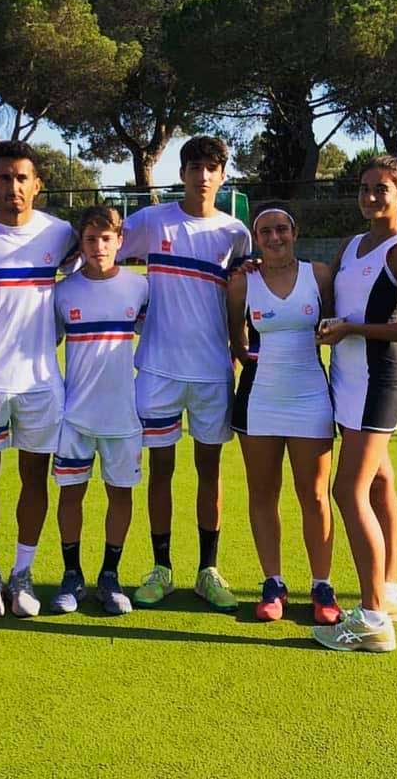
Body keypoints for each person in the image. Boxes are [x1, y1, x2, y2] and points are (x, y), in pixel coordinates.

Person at [119, 135, 251, 612]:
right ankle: (162, 567)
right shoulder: (153, 221)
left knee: (209, 470)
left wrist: (239, 349)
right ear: (183, 172)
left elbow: (241, 300)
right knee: (160, 468)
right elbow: (104, 251)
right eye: (195, 166)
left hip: (214, 369)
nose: (203, 175)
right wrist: (133, 311)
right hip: (157, 368)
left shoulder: (236, 233)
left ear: (222, 175)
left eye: (212, 167)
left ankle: (207, 570)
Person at [0, 140, 78, 618]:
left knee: (34, 478)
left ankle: (23, 574)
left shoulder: (60, 233)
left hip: (41, 382)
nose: (13, 187)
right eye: (4, 178)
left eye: (22, 178)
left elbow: (83, 280)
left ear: (37, 185)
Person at [313, 155, 397, 653]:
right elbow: (331, 302)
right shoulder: (352, 244)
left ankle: (371, 619)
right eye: (364, 188)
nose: (369, 197)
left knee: (348, 491)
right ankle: (391, 590)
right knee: (380, 481)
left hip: (379, 380)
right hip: (349, 378)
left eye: (381, 189)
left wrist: (352, 329)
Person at [227, 202, 340, 624]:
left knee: (314, 495)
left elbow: (334, 323)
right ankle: (272, 581)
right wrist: (253, 359)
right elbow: (236, 342)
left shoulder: (320, 275)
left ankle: (322, 586)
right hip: (259, 401)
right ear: (256, 239)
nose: (274, 238)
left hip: (311, 396)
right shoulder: (243, 284)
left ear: (294, 231)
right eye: (265, 232)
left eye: (281, 230)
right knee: (263, 494)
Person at [50, 206, 148, 616]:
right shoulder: (63, 291)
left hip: (123, 418)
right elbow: (45, 345)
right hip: (74, 416)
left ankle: (110, 575)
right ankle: (71, 575)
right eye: (91, 239)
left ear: (120, 241)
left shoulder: (139, 288)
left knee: (119, 495)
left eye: (106, 239)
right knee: (71, 495)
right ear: (81, 243)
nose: (99, 246)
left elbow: (154, 334)